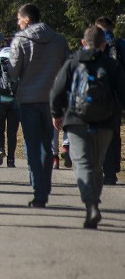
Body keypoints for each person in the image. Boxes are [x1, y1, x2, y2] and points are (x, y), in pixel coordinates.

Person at [50, 26, 125, 228]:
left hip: (76, 120)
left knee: (82, 163)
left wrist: (56, 113)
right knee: (97, 166)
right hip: (105, 122)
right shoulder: (111, 64)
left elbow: (57, 90)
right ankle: (94, 201)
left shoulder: (73, 62)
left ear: (83, 42)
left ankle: (91, 203)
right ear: (103, 44)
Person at [9, 3, 70, 207]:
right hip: (53, 100)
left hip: (28, 98)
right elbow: (66, 70)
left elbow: (14, 71)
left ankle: (39, 190)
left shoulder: (21, 40)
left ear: (27, 19)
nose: (18, 23)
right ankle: (46, 185)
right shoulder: (59, 40)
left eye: (19, 19)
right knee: (47, 144)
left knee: (32, 145)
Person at [96, 16, 125, 184]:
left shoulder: (97, 43)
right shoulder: (120, 44)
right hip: (118, 95)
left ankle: (109, 174)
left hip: (102, 94)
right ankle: (115, 166)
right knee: (115, 131)